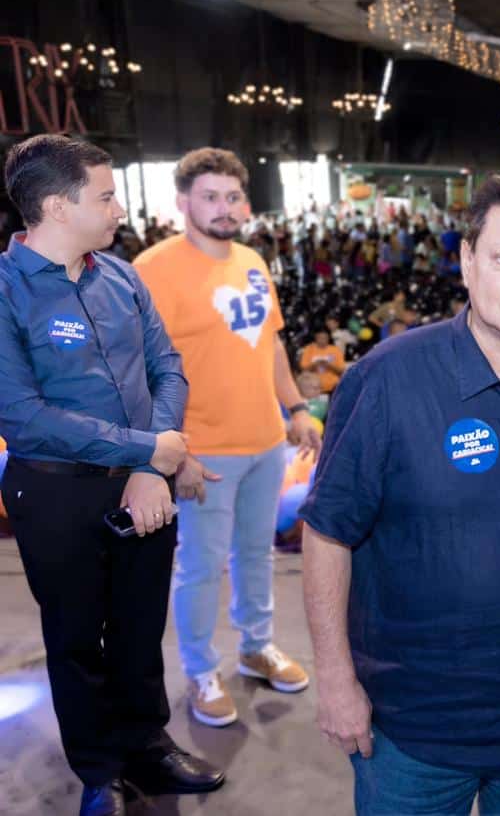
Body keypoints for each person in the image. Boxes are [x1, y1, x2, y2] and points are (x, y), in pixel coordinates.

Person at [300, 172, 500, 814]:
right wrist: (334, 677)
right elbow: (328, 531)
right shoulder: (387, 379)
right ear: (467, 262)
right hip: (415, 732)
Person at [0, 135, 223, 816]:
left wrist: (149, 465)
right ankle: (99, 771)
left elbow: (168, 367)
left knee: (137, 627)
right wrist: (148, 452)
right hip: (54, 490)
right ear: (56, 207)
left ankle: (147, 748)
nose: (120, 208)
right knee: (76, 640)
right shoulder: (6, 292)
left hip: (142, 483)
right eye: (105, 195)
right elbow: (23, 415)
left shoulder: (120, 275)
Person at [134, 149, 319, 728]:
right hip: (203, 451)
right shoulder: (152, 269)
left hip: (266, 442)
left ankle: (256, 645)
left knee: (255, 555)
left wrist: (295, 406)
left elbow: (272, 345)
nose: (225, 207)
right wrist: (175, 450)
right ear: (183, 201)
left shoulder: (253, 261)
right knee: (201, 566)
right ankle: (200, 670)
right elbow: (138, 371)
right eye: (210, 196)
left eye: (233, 196)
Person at [300, 326, 348, 394]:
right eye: (320, 338)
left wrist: (329, 365)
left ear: (328, 338)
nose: (322, 340)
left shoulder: (335, 350)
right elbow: (303, 370)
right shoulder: (308, 349)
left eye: (325, 338)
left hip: (333, 388)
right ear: (315, 338)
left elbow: (342, 371)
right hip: (313, 389)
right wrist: (315, 364)